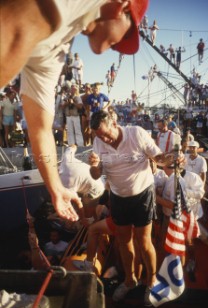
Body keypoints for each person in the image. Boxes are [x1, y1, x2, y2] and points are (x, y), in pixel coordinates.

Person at [0, 0, 149, 222]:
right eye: (126, 36)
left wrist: (55, 188)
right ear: (123, 6)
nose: (118, 48)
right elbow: (14, 27)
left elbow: (40, 129)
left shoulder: (58, 47)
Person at [89, 110, 183, 304]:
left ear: (115, 124)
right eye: (100, 136)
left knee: (144, 240)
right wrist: (94, 166)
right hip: (118, 197)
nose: (104, 139)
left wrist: (172, 159)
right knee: (124, 241)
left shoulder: (136, 133)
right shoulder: (98, 142)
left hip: (142, 194)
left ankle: (152, 280)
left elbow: (159, 158)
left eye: (106, 134)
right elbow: (96, 175)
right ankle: (130, 280)